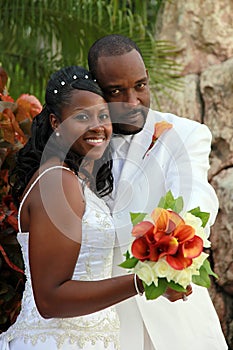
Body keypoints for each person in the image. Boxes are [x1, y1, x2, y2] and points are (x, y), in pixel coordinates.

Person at [88, 34, 228, 350]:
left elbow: (196, 196)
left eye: (140, 85)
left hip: (174, 322)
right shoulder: (80, 143)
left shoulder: (186, 134)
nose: (134, 100)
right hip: (104, 324)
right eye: (116, 91)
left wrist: (177, 252)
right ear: (96, 91)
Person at [0, 65, 153, 350]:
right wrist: (143, 282)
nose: (98, 126)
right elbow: (50, 298)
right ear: (57, 123)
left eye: (103, 115)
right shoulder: (57, 181)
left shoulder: (74, 180)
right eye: (82, 117)